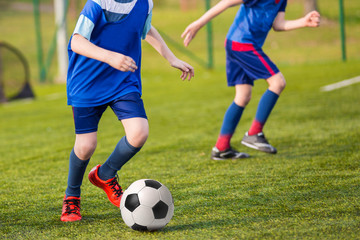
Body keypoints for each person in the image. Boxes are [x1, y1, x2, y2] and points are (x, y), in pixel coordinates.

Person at [61, 0, 194, 222]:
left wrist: (171, 58)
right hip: (87, 82)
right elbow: (76, 42)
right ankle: (72, 197)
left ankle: (105, 174)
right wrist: (110, 57)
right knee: (85, 146)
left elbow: (146, 28)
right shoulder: (98, 3)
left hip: (123, 81)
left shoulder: (145, 3)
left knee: (139, 132)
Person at [181, 0, 320, 160]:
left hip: (237, 43)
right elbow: (226, 2)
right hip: (242, 44)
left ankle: (221, 148)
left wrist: (303, 21)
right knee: (278, 82)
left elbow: (278, 24)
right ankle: (254, 133)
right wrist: (199, 23)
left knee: (243, 95)